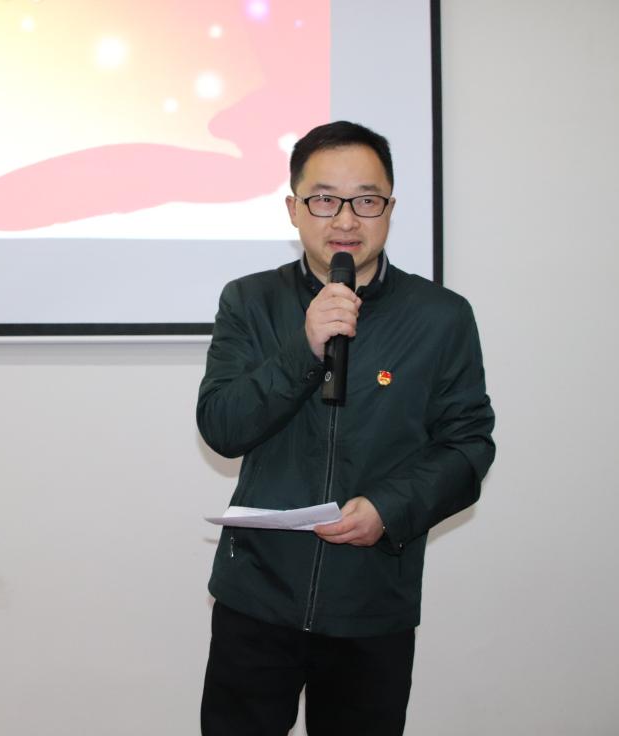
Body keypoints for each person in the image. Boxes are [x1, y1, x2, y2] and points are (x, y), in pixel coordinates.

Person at [197, 121, 495, 736]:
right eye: (324, 200)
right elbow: (223, 425)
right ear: (294, 209)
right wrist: (303, 348)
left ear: (390, 208)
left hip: (372, 602)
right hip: (258, 596)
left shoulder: (441, 316)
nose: (345, 220)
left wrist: (389, 507)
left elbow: (468, 447)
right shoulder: (249, 301)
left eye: (366, 200)